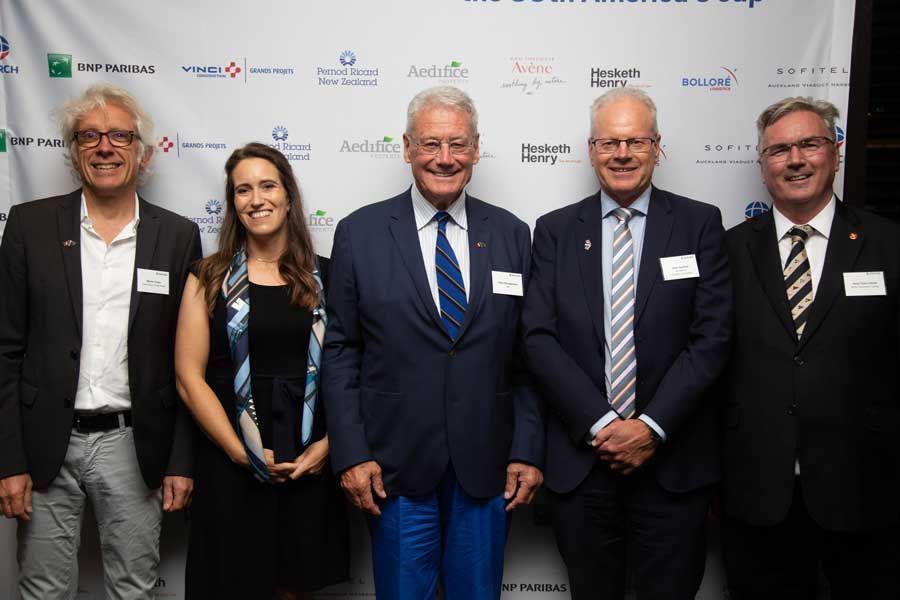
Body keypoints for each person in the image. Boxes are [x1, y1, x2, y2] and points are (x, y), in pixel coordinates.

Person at [322, 85, 544, 599]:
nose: (444, 159)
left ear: (476, 149)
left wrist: (528, 449)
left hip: (487, 466)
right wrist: (352, 454)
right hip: (394, 468)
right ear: (406, 148)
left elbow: (528, 356)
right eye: (430, 144)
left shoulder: (512, 234)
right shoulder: (361, 232)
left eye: (458, 144)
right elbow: (340, 351)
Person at [522, 87, 732, 600]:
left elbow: (712, 337)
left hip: (672, 463)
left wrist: (650, 427)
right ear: (591, 150)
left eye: (635, 141)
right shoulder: (553, 231)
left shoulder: (699, 223)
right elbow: (539, 337)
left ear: (657, 146)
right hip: (583, 463)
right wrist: (603, 425)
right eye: (610, 142)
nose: (622, 154)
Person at [0, 83, 200, 599]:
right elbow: (6, 351)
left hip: (134, 444)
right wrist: (10, 461)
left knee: (134, 588)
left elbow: (187, 362)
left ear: (142, 152)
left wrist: (180, 460)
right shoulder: (29, 225)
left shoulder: (177, 236)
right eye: (89, 136)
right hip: (46, 438)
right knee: (42, 589)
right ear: (72, 151)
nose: (104, 147)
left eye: (119, 136)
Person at [720, 97, 900, 599]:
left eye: (809, 144)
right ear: (762, 166)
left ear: (836, 153)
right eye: (778, 150)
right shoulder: (728, 251)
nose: (795, 159)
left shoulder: (889, 246)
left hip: (864, 491)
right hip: (757, 493)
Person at [174, 143, 349, 599]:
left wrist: (329, 448)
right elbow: (189, 379)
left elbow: (354, 371)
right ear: (233, 203)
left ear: (289, 196)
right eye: (243, 190)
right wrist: (240, 452)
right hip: (230, 457)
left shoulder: (326, 277)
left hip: (308, 459)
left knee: (295, 587)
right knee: (234, 584)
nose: (257, 199)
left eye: (268, 185)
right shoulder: (208, 277)